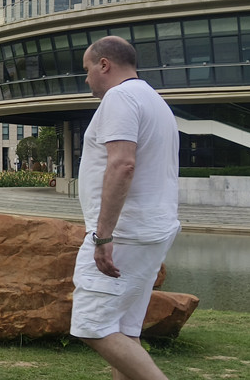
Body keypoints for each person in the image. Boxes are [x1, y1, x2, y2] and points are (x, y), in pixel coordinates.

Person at [72, 36, 180, 380]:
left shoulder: (119, 97)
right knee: (124, 328)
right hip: (151, 229)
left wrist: (103, 237)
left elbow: (122, 164)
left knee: (91, 325)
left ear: (104, 64)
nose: (86, 78)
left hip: (125, 233)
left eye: (87, 69)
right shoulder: (154, 100)